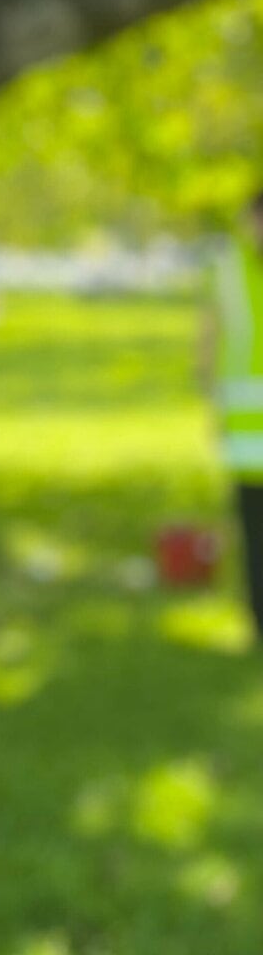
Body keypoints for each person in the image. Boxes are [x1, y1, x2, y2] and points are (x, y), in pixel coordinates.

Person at [205, 187, 263, 641]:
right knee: (254, 530)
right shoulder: (229, 268)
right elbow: (209, 333)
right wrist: (211, 397)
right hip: (247, 432)